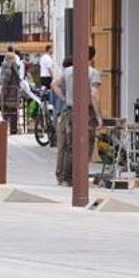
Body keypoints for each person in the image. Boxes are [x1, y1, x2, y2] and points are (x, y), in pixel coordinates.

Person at [51, 46, 103, 187]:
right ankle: (80, 175)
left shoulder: (67, 71)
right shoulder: (93, 73)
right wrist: (99, 116)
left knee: (70, 145)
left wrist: (64, 97)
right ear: (92, 58)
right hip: (87, 112)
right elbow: (94, 94)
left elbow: (54, 84)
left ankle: (67, 178)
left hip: (70, 110)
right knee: (87, 144)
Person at [0, 52, 22, 135]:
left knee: (5, 108)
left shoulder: (7, 66)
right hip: (14, 91)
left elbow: (6, 79)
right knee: (13, 110)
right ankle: (13, 129)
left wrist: (3, 90)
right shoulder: (15, 66)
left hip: (8, 91)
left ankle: (6, 127)